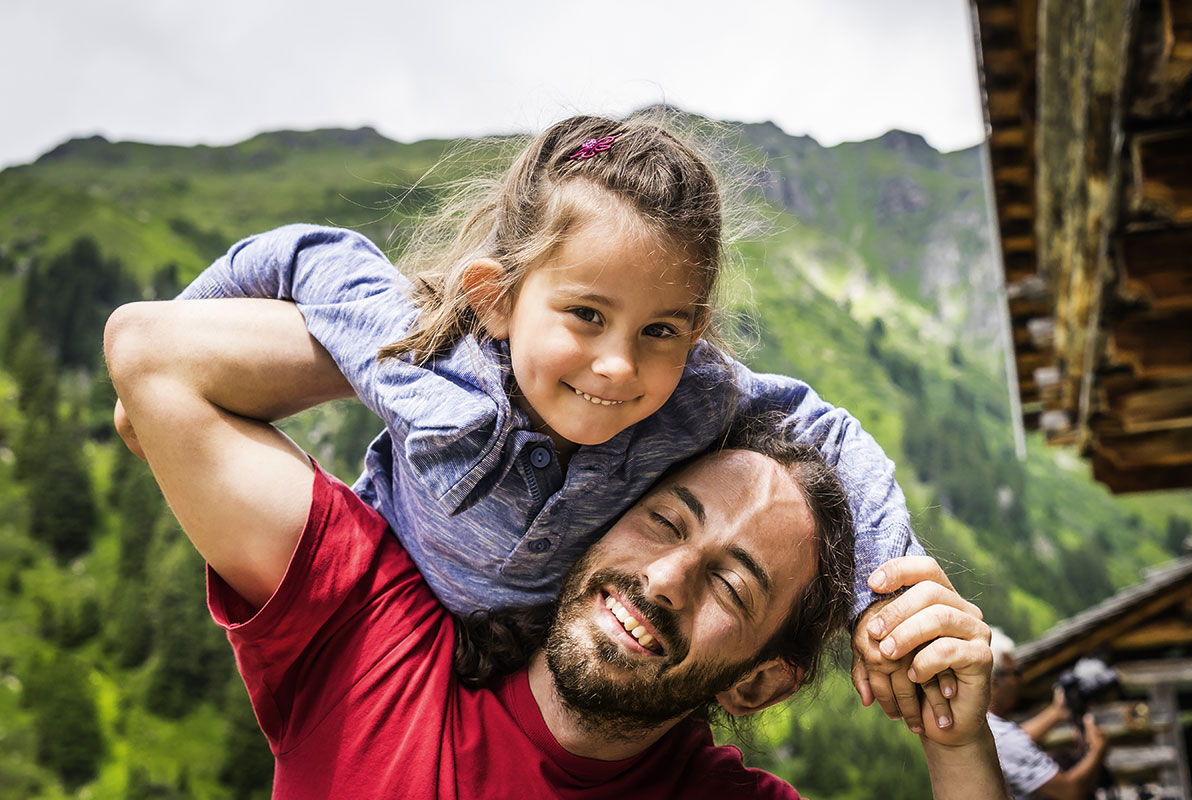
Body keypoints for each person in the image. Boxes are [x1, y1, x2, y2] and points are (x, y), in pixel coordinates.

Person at [151, 112, 930, 728]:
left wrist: (884, 593)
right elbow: (306, 254)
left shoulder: (694, 393)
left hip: (563, 675)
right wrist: (187, 329)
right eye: (586, 314)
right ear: (496, 296)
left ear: (694, 333)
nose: (619, 365)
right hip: (379, 630)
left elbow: (824, 430)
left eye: (660, 329)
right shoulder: (424, 353)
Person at [104, 298, 1006, 799]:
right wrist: (501, 363)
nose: (664, 578)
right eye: (665, 519)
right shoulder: (370, 628)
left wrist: (957, 748)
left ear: (760, 682)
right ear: (604, 510)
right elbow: (154, 355)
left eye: (733, 586)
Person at [987, 628, 1109, 800]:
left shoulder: (986, 728)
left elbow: (1015, 739)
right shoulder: (1004, 739)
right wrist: (1097, 751)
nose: (1019, 680)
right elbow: (1070, 792)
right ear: (993, 681)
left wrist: (1057, 712)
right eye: (1015, 673)